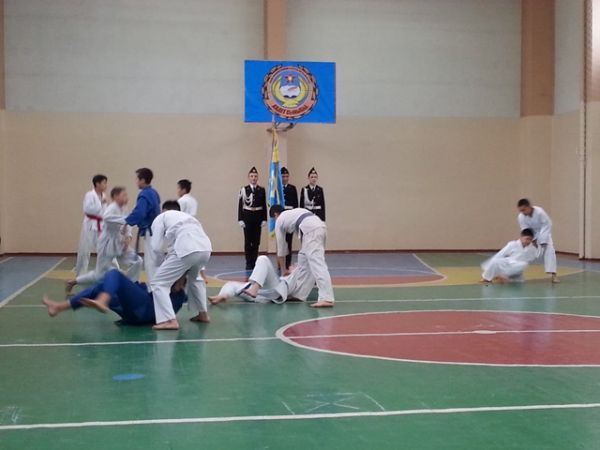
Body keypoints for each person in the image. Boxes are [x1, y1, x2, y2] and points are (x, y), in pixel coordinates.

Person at [43, 269, 188, 326]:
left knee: (114, 274)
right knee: (101, 287)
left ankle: (102, 300)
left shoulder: (178, 294)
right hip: (133, 315)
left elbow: (182, 288)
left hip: (143, 310)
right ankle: (58, 307)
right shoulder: (166, 286)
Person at [66, 187, 143, 293]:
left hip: (119, 243)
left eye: (126, 195)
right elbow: (107, 218)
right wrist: (126, 220)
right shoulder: (111, 208)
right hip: (107, 244)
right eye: (123, 195)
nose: (126, 198)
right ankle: (73, 282)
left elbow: (128, 225)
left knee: (137, 261)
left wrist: (128, 238)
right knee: (99, 275)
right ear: (115, 197)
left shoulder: (124, 208)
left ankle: (130, 285)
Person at [150, 201, 212, 330]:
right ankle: (203, 314)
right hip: (206, 248)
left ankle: (169, 320)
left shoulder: (160, 218)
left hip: (187, 248)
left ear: (163, 210)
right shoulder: (187, 218)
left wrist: (162, 264)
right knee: (196, 278)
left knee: (159, 283)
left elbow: (156, 247)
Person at [270, 205, 335, 308]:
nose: (274, 221)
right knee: (303, 260)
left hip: (311, 231)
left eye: (273, 219)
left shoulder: (280, 220)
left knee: (317, 263)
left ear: (275, 214)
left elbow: (281, 248)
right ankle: (299, 294)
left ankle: (327, 298)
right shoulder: (294, 213)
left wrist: (283, 270)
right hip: (317, 227)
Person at [125, 168, 161, 283]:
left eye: (137, 179)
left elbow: (139, 213)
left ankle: (153, 288)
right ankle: (155, 286)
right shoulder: (154, 193)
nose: (136, 182)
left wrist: (127, 222)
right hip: (156, 231)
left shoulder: (144, 194)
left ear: (143, 180)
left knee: (150, 262)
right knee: (155, 260)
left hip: (150, 230)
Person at [517, 198, 559, 283]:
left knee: (550, 251)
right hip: (531, 236)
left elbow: (547, 224)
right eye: (521, 210)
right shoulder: (521, 217)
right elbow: (525, 230)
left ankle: (553, 275)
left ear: (529, 206)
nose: (523, 212)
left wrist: (542, 239)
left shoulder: (539, 212)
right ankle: (514, 273)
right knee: (522, 252)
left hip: (544, 234)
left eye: (524, 210)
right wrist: (532, 239)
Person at [74, 174, 108, 276]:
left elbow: (104, 211)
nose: (106, 185)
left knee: (105, 249)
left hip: (100, 225)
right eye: (104, 183)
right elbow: (87, 209)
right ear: (97, 184)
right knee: (84, 250)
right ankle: (80, 275)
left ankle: (112, 271)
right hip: (90, 225)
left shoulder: (104, 195)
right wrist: (100, 203)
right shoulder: (89, 195)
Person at [238, 167, 267, 270]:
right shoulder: (244, 190)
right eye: (251, 176)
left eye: (255, 176)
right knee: (247, 241)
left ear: (257, 178)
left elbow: (264, 205)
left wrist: (264, 218)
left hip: (258, 217)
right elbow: (240, 205)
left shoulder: (261, 190)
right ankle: (248, 262)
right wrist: (240, 219)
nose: (253, 178)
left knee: (256, 241)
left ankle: (254, 262)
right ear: (248, 178)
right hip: (247, 217)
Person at [281, 167, 299, 269]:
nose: (285, 178)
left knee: (289, 242)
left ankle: (287, 263)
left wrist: (295, 218)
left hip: (290, 217)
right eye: (283, 176)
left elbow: (296, 204)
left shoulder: (292, 188)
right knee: (281, 242)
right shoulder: (277, 188)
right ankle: (281, 264)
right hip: (281, 217)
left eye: (286, 176)